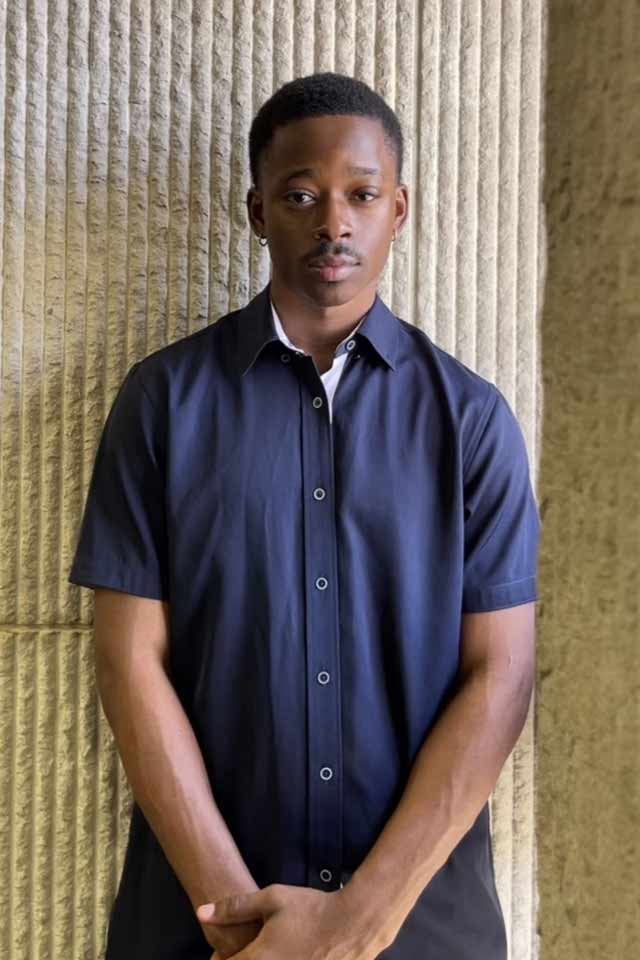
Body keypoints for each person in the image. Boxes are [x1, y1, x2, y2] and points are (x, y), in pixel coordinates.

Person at [68, 72, 541, 960]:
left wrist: (360, 921)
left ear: (398, 210)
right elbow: (129, 659)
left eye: (361, 195)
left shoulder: (471, 420)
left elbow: (501, 677)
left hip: (422, 928)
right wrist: (236, 916)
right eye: (301, 196)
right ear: (256, 210)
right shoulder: (164, 402)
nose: (334, 223)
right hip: (202, 927)